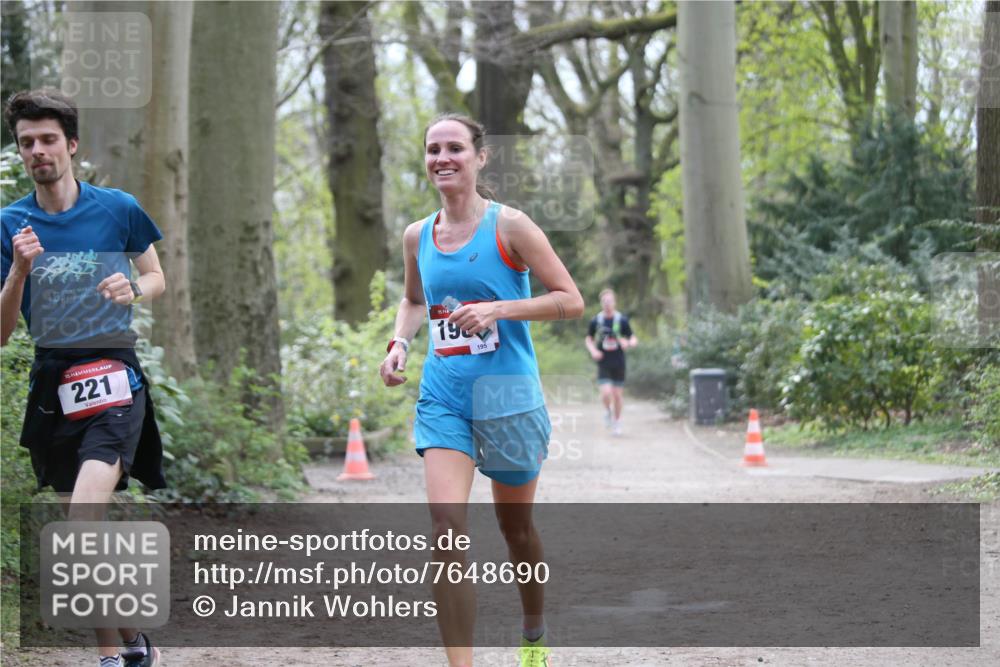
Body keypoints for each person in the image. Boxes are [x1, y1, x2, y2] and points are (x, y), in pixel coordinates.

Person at [379, 113, 584, 667]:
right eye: (432, 150)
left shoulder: (510, 226)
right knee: (446, 531)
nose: (442, 158)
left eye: (454, 148)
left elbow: (570, 299)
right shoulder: (417, 235)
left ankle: (534, 634)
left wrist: (500, 308)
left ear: (479, 157)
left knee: (516, 532)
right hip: (444, 398)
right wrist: (399, 342)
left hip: (508, 400)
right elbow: (416, 301)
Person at [1, 89, 166, 667]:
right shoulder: (10, 223)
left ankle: (107, 659)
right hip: (53, 381)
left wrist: (133, 287)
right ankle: (131, 642)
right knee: (82, 535)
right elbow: (1, 333)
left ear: (71, 145)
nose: (38, 151)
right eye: (27, 143)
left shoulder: (116, 208)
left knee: (80, 522)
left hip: (115, 373)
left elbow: (156, 277)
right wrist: (19, 270)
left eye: (48, 140)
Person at [584, 288, 638, 436]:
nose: (607, 303)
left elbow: (633, 337)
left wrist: (629, 343)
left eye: (610, 301)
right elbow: (588, 339)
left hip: (619, 362)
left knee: (617, 395)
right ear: (601, 303)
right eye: (604, 301)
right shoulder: (596, 320)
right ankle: (608, 411)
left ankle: (617, 421)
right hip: (604, 361)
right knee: (606, 393)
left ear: (614, 302)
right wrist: (593, 351)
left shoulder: (621, 320)